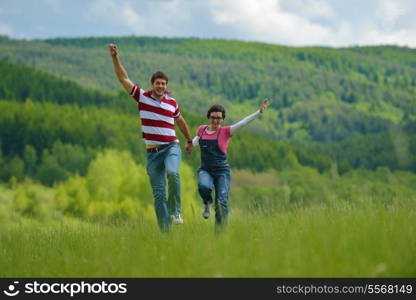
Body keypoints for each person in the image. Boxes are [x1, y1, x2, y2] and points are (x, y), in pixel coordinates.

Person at [108, 43, 193, 232]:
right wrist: (115, 57)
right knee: (159, 194)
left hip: (171, 147)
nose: (161, 86)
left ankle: (176, 211)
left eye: (164, 84)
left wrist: (188, 140)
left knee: (172, 173)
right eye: (158, 83)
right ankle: (166, 233)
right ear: (152, 84)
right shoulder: (142, 97)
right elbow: (123, 78)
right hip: (152, 153)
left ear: (166, 86)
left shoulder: (172, 103)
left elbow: (180, 121)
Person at [192, 100, 269, 230]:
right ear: (208, 117)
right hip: (205, 169)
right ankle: (207, 203)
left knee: (222, 203)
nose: (215, 121)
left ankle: (220, 234)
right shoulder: (202, 129)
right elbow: (197, 139)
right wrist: (190, 144)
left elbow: (243, 122)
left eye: (218, 118)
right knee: (203, 187)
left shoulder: (226, 131)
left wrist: (258, 112)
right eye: (213, 117)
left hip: (222, 171)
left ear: (222, 119)